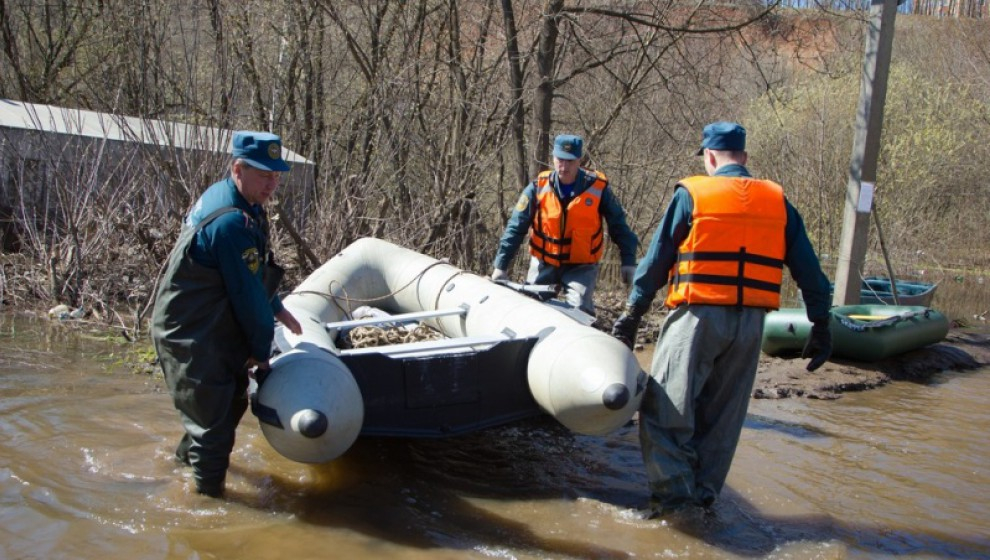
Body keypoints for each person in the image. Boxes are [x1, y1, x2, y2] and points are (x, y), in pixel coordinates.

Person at [611, 121, 833, 517]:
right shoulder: (777, 201)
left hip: (698, 316)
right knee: (721, 421)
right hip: (750, 325)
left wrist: (632, 313)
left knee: (665, 414)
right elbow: (810, 271)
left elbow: (657, 260)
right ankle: (703, 501)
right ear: (744, 158)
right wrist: (822, 324)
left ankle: (676, 509)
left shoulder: (694, 193)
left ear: (709, 157)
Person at [151, 130, 303, 498]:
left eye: (277, 175)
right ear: (238, 168)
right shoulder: (231, 221)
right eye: (265, 175)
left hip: (206, 324)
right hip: (190, 333)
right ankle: (206, 506)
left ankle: (181, 467)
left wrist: (279, 309)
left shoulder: (242, 203)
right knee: (214, 429)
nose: (273, 184)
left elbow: (252, 276)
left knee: (224, 407)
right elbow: (247, 295)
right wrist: (262, 352)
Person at [491, 134, 639, 315]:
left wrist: (628, 260)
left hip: (581, 266)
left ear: (579, 161)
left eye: (570, 161)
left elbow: (620, 227)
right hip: (544, 262)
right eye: (560, 159)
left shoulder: (598, 189)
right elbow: (516, 227)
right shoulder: (538, 187)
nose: (564, 166)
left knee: (580, 310)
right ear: (553, 158)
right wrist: (501, 265)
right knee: (531, 307)